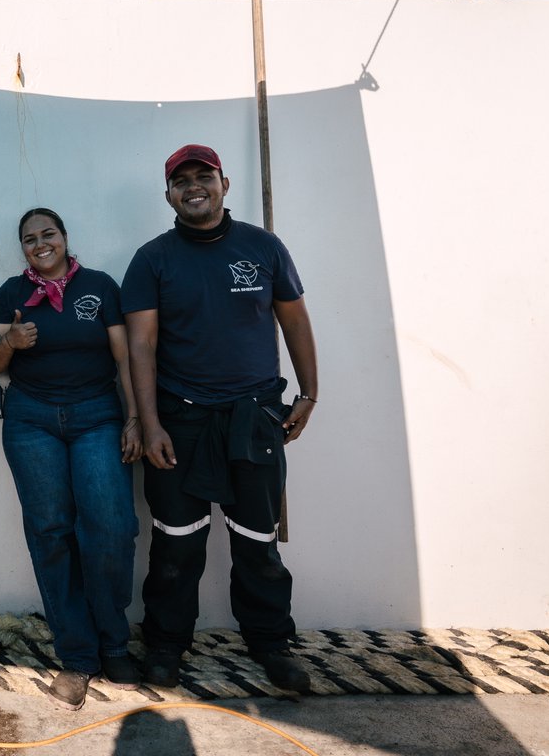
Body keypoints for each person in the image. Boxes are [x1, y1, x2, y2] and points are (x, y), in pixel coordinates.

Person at [121, 145, 318, 693]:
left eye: (203, 176)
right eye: (180, 181)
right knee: (176, 543)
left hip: (253, 417)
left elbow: (295, 321)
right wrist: (151, 421)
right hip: (179, 422)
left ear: (224, 183)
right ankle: (164, 645)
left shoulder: (263, 247)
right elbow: (141, 346)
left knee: (259, 541)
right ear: (168, 195)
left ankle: (271, 644)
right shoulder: (152, 259)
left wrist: (310, 394)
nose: (193, 187)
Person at [0, 208, 142, 711]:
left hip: (97, 414)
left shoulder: (99, 285)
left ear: (65, 238)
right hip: (32, 419)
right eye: (29, 239)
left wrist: (134, 418)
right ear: (22, 247)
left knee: (111, 527)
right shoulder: (11, 293)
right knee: (51, 532)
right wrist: (10, 341)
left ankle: (113, 643)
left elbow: (125, 358)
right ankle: (76, 657)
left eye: (48, 234)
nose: (39, 244)